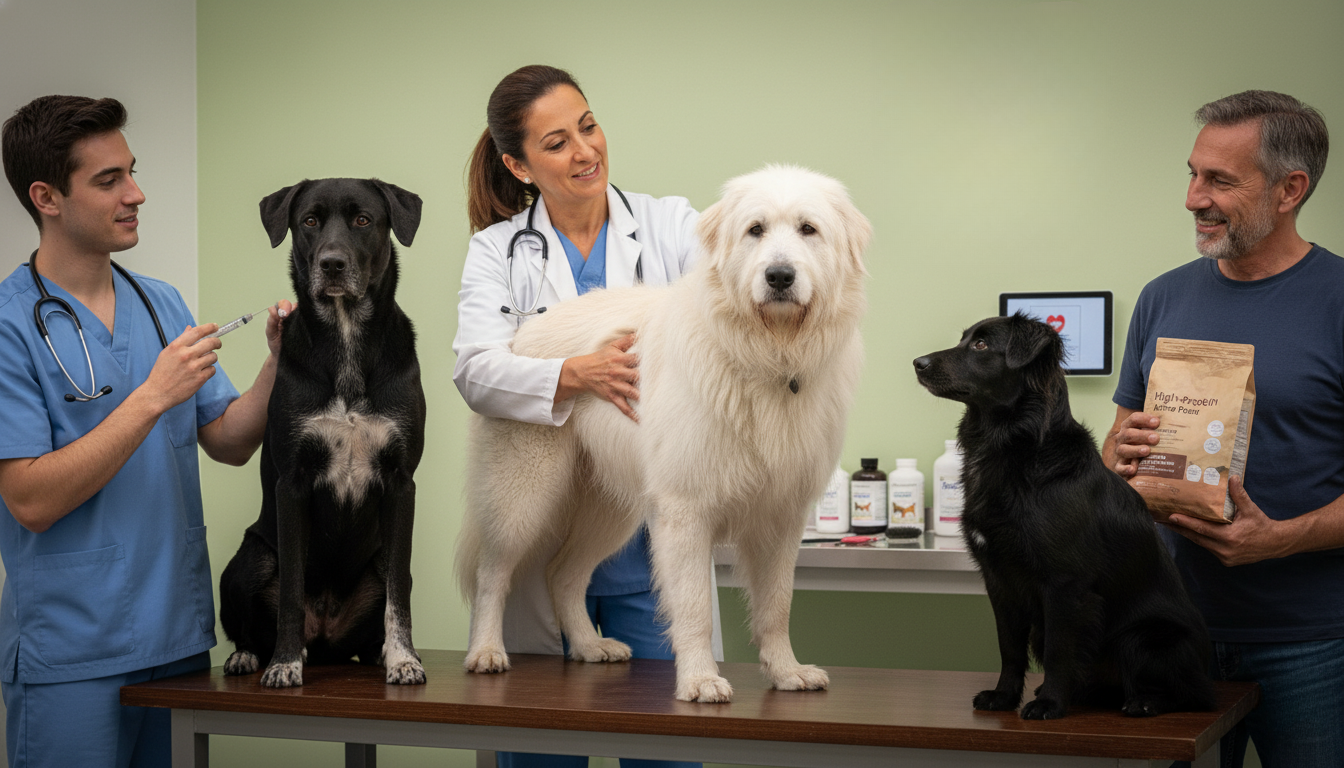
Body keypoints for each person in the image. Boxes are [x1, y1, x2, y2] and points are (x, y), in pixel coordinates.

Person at [0, 95, 291, 768]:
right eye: (109, 181)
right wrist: (152, 395)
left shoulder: (159, 304)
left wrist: (279, 363)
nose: (136, 194)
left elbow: (228, 439)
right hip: (72, 652)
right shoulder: (11, 327)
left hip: (176, 643)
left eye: (131, 171)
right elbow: (31, 500)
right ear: (47, 196)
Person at [454, 65, 719, 768]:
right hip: (542, 507)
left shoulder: (671, 226)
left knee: (668, 746)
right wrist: (573, 373)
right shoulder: (498, 251)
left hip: (651, 543)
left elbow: (730, 299)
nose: (585, 151)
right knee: (542, 752)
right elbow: (474, 370)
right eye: (557, 142)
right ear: (517, 164)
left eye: (589, 126)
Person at [1102, 90, 1344, 767]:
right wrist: (1119, 455)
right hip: (1167, 628)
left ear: (1290, 188)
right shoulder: (1163, 296)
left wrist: (1279, 539)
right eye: (1192, 172)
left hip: (1312, 642)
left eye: (1219, 180)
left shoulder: (1338, 301)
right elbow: (1115, 449)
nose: (1192, 197)